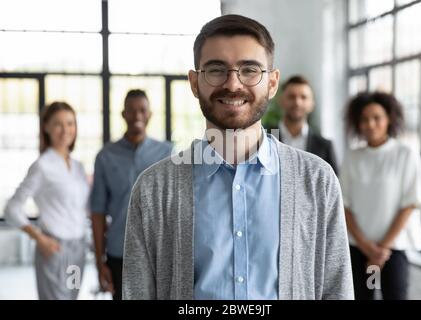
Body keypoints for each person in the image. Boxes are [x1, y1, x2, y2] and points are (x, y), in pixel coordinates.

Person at [122, 14, 353, 300]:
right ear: (195, 83)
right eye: (216, 70)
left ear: (272, 83)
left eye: (250, 70)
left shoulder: (317, 180)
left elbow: (336, 289)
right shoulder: (153, 190)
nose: (233, 84)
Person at [90, 89, 173, 300]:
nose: (137, 116)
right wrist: (100, 262)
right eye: (131, 110)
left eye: (142, 110)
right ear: (123, 114)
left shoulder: (168, 154)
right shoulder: (105, 157)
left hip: (158, 254)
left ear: (149, 115)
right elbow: (97, 212)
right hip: (120, 254)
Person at [340, 92, 421, 300]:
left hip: (392, 251)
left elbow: (410, 203)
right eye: (364, 119)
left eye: (377, 117)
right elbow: (344, 205)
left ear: (389, 119)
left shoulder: (405, 154)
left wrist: (382, 250)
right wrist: (367, 247)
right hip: (359, 250)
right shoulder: (352, 157)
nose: (370, 124)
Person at [4, 102, 89, 300]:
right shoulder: (42, 166)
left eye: (70, 123)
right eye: (58, 124)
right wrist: (39, 238)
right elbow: (12, 208)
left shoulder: (78, 167)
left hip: (78, 251)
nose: (65, 130)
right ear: (46, 127)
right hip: (54, 249)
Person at [269, 75, 338, 174]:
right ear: (281, 101)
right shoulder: (265, 139)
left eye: (303, 97)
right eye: (291, 97)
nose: (297, 102)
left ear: (312, 104)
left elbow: (333, 187)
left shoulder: (324, 146)